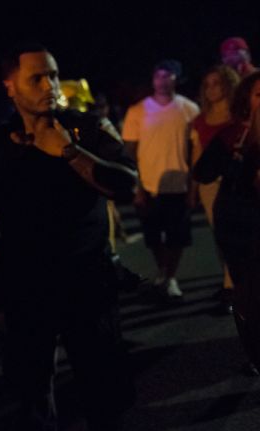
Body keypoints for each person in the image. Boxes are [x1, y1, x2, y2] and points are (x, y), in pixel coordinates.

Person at [0, 43, 137, 431]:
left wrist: (68, 151)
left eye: (53, 75)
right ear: (10, 86)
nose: (49, 85)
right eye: (37, 78)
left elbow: (126, 184)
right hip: (26, 284)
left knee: (103, 386)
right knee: (31, 388)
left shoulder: (86, 127)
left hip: (88, 278)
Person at [194, 70, 260, 374]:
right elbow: (203, 172)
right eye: (259, 95)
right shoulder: (233, 134)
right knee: (248, 294)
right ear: (246, 100)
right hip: (240, 225)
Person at [122, 59, 200, 300]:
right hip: (149, 185)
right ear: (152, 79)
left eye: (167, 76)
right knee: (153, 236)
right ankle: (163, 272)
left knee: (177, 237)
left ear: (176, 79)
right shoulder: (137, 111)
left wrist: (193, 188)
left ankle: (170, 277)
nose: (162, 81)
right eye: (158, 76)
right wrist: (137, 188)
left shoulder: (189, 109)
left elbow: (195, 151)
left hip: (179, 184)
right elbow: (130, 153)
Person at [190, 65, 241, 312]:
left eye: (216, 83)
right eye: (207, 85)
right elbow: (197, 157)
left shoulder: (239, 115)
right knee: (221, 235)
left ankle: (233, 286)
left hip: (237, 181)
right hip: (209, 185)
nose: (211, 89)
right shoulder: (200, 120)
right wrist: (193, 188)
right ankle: (230, 283)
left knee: (238, 232)